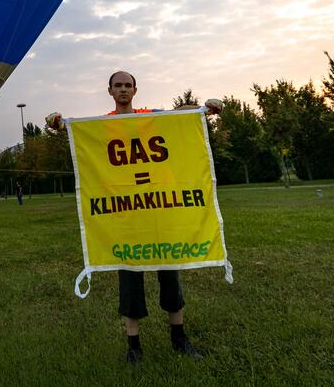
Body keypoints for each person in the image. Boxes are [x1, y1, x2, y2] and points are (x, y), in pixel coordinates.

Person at [46, 71, 220, 365]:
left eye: (128, 85)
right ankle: (134, 347)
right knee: (129, 278)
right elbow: (72, 130)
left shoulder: (148, 118)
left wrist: (205, 108)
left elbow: (177, 115)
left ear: (135, 90)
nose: (123, 89)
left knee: (170, 274)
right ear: (110, 91)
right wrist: (57, 121)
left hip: (160, 213)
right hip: (126, 217)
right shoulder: (104, 125)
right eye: (118, 85)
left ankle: (179, 339)